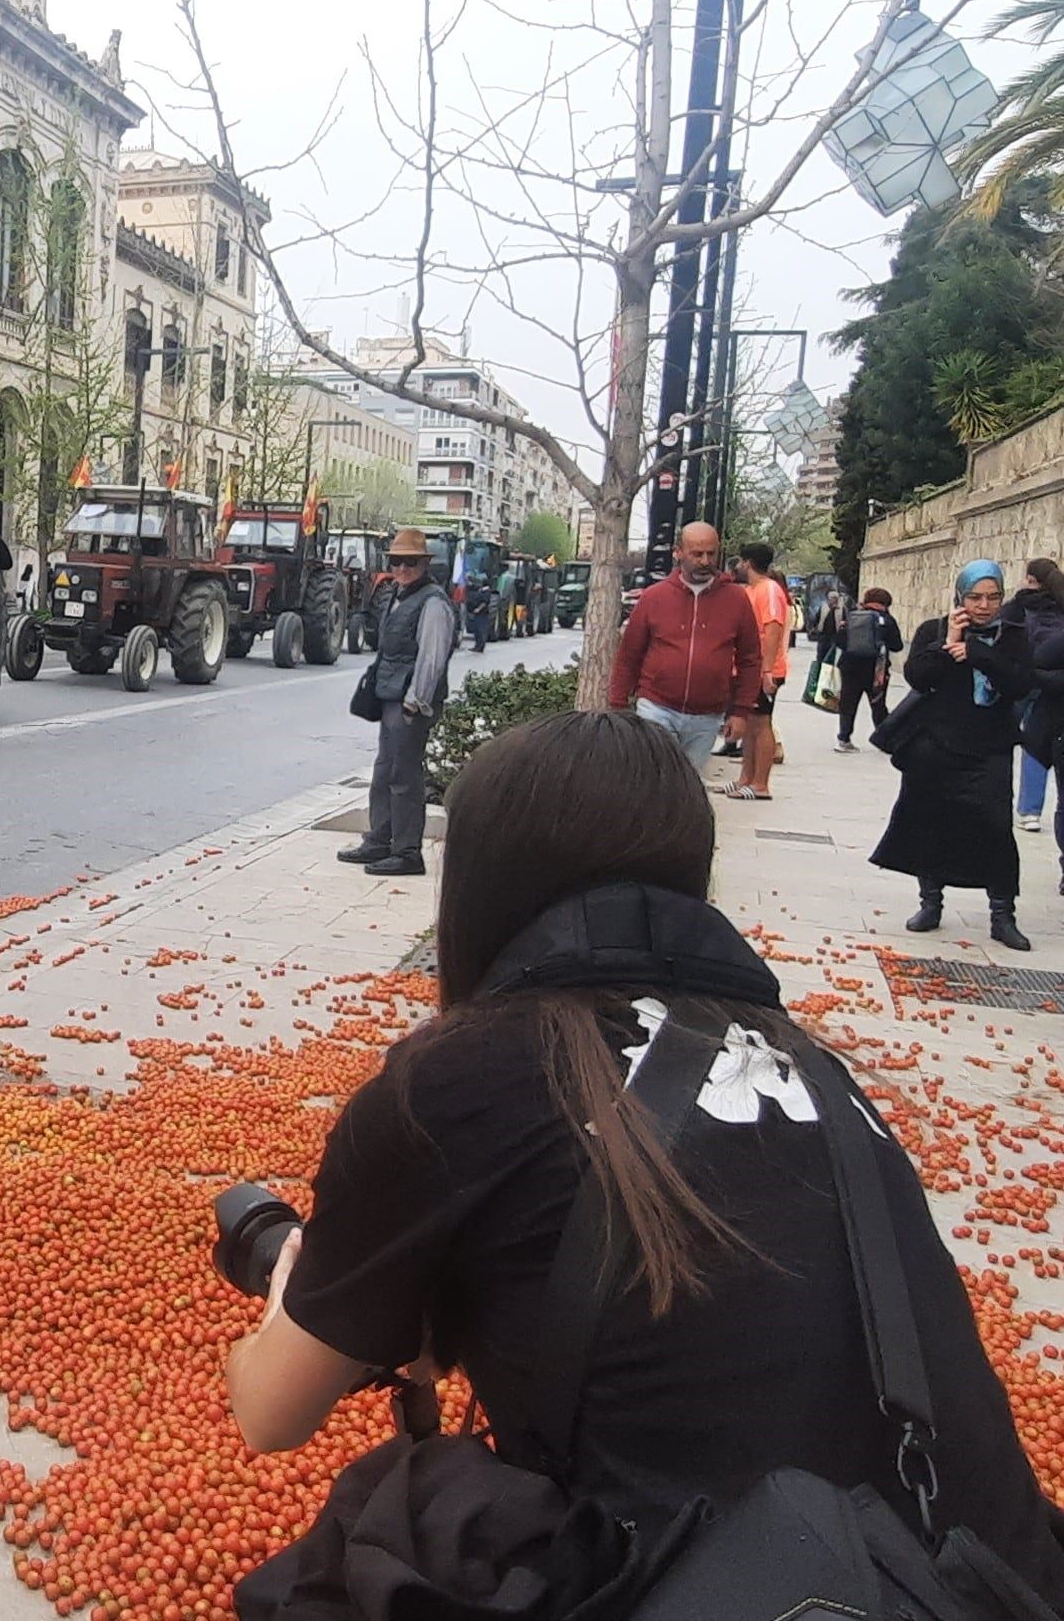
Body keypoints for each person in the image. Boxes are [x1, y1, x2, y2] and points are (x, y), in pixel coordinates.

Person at [227, 709, 1064, 1599]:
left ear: (478, 881)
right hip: (980, 1578)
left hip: (739, 1590)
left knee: (376, 1529)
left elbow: (269, 1411)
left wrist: (296, 1278)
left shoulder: (459, 1078)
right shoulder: (815, 1066)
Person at [872, 560, 1036, 949]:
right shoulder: (936, 628)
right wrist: (950, 644)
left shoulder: (1012, 634)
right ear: (960, 597)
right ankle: (930, 902)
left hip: (989, 747)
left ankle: (1002, 913)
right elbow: (918, 675)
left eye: (993, 597)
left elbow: (1019, 684)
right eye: (975, 597)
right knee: (932, 824)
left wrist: (978, 652)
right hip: (936, 745)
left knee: (997, 827)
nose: (984, 606)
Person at [335, 526, 456, 878]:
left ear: (423, 564)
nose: (402, 568)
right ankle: (380, 839)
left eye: (410, 562)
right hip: (392, 697)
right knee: (384, 771)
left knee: (404, 776)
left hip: (410, 702)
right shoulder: (395, 595)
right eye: (397, 561)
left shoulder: (433, 603)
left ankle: (406, 853)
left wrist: (415, 702)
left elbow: (432, 659)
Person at [605, 521, 760, 772]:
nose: (705, 561)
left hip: (707, 717)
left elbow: (750, 659)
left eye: (711, 553)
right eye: (697, 554)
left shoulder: (736, 600)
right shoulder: (654, 597)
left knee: (689, 787)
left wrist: (740, 711)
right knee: (656, 780)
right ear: (678, 552)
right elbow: (629, 655)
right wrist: (618, 706)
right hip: (657, 708)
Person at [727, 541, 794, 799]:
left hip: (764, 669)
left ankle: (760, 783)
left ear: (748, 562)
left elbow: (773, 628)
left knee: (760, 724)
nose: (739, 567)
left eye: (741, 562)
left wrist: (766, 670)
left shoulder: (768, 590)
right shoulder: (753, 591)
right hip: (751, 668)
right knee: (749, 724)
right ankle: (746, 777)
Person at [1006, 558, 1064, 833]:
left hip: (1024, 679)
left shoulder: (1020, 604)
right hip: (1054, 685)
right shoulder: (1060, 604)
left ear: (1030, 579)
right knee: (1038, 739)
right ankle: (1030, 810)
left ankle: (1025, 807)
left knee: (1013, 738)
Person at [833, 587, 904, 753]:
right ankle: (884, 740)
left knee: (848, 703)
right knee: (878, 704)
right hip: (876, 670)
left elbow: (840, 642)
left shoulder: (852, 616)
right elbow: (897, 646)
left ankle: (843, 739)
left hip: (850, 667)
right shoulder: (886, 619)